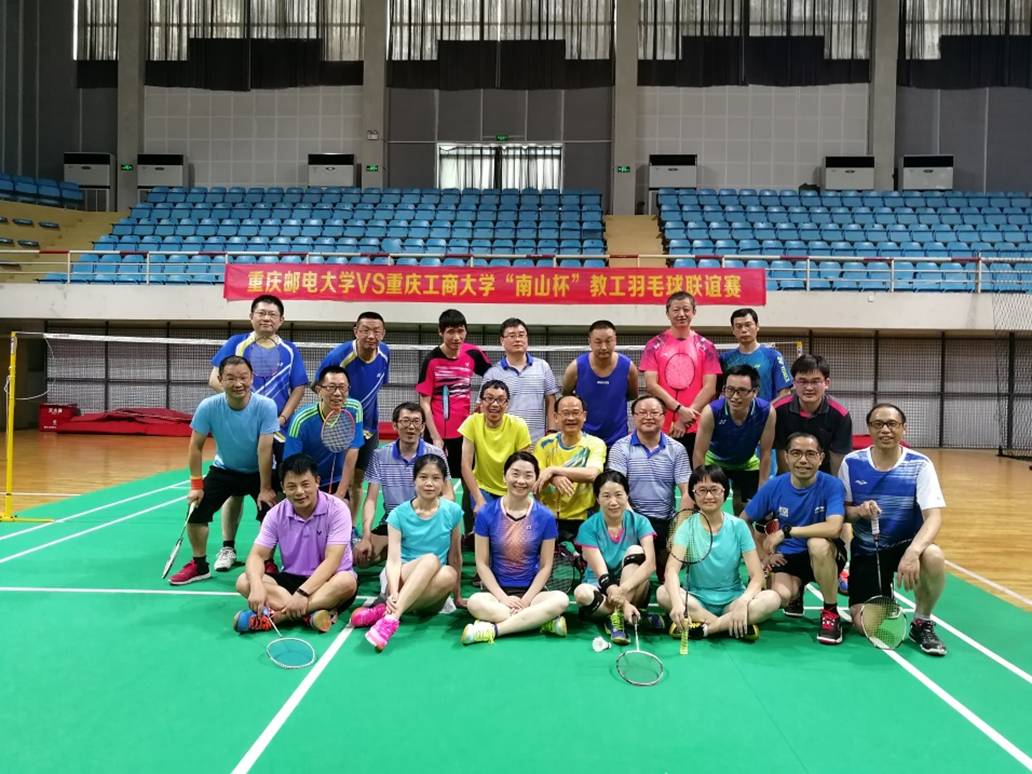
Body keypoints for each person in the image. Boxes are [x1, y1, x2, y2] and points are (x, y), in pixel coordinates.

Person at [208, 294, 308, 572]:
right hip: (239, 428)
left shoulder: (290, 350)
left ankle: (270, 554)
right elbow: (214, 378)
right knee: (234, 489)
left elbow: (299, 387)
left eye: (272, 314)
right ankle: (228, 547)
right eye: (261, 313)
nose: (266, 318)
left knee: (275, 490)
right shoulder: (236, 344)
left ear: (281, 320)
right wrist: (243, 401)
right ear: (251, 316)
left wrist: (283, 417)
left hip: (277, 432)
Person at [840, 403, 948, 656]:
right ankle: (885, 597)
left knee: (933, 555)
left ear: (903, 428)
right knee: (864, 626)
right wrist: (859, 511)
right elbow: (842, 513)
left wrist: (913, 552)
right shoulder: (852, 462)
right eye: (878, 424)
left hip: (905, 545)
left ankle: (922, 621)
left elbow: (933, 517)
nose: (885, 430)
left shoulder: (920, 464)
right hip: (868, 551)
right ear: (869, 429)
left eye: (892, 424)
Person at [171, 355, 279, 585]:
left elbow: (265, 449)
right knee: (196, 510)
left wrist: (265, 488)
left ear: (252, 378)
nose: (238, 383)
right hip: (225, 469)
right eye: (230, 378)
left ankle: (267, 561)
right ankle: (199, 565)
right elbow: (195, 446)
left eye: (243, 377)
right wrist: (196, 486)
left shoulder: (266, 406)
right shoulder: (209, 407)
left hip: (259, 471)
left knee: (271, 512)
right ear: (220, 379)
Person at [232, 453, 358, 634]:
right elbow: (257, 555)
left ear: (317, 481)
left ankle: (276, 617)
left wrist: (302, 593)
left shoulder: (337, 509)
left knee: (347, 581)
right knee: (244, 581)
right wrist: (257, 585)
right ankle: (310, 613)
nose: (299, 492)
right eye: (291, 486)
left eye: (305, 484)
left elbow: (332, 561)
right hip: (291, 578)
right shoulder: (275, 514)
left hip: (328, 579)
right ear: (283, 487)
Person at [743, 432, 848, 645]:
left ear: (821, 458)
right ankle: (796, 592)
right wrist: (762, 557)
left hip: (824, 553)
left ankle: (830, 611)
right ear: (786, 457)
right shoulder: (774, 486)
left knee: (817, 544)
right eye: (796, 453)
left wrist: (787, 531)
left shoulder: (832, 485)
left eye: (810, 454)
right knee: (780, 596)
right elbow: (742, 521)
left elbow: (834, 527)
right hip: (788, 556)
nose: (803, 460)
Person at [657, 465, 781, 641]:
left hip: (733, 601)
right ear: (693, 494)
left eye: (714, 489)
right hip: (696, 600)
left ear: (725, 492)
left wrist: (744, 600)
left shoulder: (738, 526)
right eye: (702, 490)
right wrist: (677, 604)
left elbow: (757, 576)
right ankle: (733, 624)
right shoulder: (687, 527)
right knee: (663, 593)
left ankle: (705, 629)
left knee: (772, 598)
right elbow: (671, 570)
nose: (709, 496)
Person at [356, 455, 465, 653]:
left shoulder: (453, 511)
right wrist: (394, 593)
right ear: (414, 480)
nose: (429, 483)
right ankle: (392, 618)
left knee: (450, 573)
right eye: (423, 477)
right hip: (401, 577)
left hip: (432, 588)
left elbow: (455, 556)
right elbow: (393, 560)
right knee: (431, 560)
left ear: (443, 483)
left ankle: (385, 612)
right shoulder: (398, 514)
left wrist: (457, 596)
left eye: (436, 478)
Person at [461, 452, 570, 645]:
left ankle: (494, 630)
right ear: (504, 476)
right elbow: (481, 563)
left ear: (536, 479)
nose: (521, 481)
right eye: (515, 474)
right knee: (475, 602)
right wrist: (503, 598)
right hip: (496, 594)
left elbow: (546, 566)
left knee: (561, 600)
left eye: (528, 475)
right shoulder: (487, 513)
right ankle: (540, 621)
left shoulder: (545, 517)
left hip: (533, 594)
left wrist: (526, 600)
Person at [355, 402, 454, 569]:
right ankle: (396, 547)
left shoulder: (435, 454)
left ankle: (399, 548)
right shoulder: (380, 455)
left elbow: (449, 494)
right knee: (362, 558)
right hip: (393, 522)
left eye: (416, 422)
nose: (411, 427)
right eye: (405, 421)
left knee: (433, 562)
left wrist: (428, 515)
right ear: (395, 425)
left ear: (423, 427)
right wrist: (366, 535)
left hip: (425, 522)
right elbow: (371, 499)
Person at [606, 395, 691, 579]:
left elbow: (687, 493)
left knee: (670, 573)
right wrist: (637, 524)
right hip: (631, 520)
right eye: (642, 413)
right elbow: (616, 491)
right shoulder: (620, 448)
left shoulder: (677, 449)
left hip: (665, 521)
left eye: (654, 412)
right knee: (633, 575)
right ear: (634, 416)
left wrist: (679, 530)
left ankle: (662, 562)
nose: (648, 417)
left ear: (664, 416)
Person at [572, 471, 656, 645]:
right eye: (606, 496)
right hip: (603, 587)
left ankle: (613, 617)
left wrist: (622, 591)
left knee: (635, 550)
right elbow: (602, 575)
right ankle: (625, 614)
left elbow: (650, 565)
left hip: (632, 587)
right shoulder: (588, 527)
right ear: (597, 498)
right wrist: (623, 602)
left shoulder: (640, 522)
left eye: (618, 495)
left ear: (627, 495)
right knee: (581, 593)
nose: (613, 502)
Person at [316, 311, 390, 506]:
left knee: (358, 480)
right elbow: (318, 387)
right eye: (365, 330)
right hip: (340, 428)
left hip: (369, 428)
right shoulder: (338, 357)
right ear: (356, 331)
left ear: (383, 333)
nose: (371, 336)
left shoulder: (385, 352)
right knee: (340, 480)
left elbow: (380, 383)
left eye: (376, 331)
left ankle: (352, 523)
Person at [640, 291, 722, 461]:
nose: (681, 314)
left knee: (696, 474)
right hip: (661, 425)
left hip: (697, 426)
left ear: (694, 312)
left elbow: (710, 388)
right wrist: (680, 410)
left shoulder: (707, 347)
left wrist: (685, 419)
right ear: (667, 313)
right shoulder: (653, 345)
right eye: (676, 310)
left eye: (686, 309)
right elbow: (651, 385)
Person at [415, 308, 492, 488]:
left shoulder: (472, 353)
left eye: (460, 331)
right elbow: (424, 403)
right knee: (437, 483)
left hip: (466, 432)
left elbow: (493, 375)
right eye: (451, 332)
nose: (457, 337)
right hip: (438, 434)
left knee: (470, 482)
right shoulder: (431, 360)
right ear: (440, 332)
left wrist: (482, 401)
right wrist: (435, 438)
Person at [692, 364, 776, 514]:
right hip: (715, 462)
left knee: (747, 510)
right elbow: (698, 452)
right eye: (730, 390)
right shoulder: (711, 412)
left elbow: (766, 453)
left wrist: (762, 487)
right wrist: (701, 483)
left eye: (742, 391)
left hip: (747, 463)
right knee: (709, 509)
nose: (735, 397)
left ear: (755, 392)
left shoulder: (766, 412)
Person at [533, 393, 606, 541]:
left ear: (584, 416)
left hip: (583, 519)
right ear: (555, 417)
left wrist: (552, 470)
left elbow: (592, 474)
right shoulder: (544, 444)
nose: (571, 418)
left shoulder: (595, 444)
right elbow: (536, 475)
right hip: (546, 516)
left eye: (576, 413)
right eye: (565, 413)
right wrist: (554, 479)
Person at [284, 366, 364, 501]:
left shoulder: (354, 409)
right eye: (331, 387)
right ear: (318, 390)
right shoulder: (301, 420)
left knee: (344, 507)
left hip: (335, 479)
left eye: (342, 387)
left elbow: (353, 451)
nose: (337, 393)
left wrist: (340, 493)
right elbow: (291, 463)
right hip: (305, 480)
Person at [459, 380, 532, 525]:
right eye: (489, 398)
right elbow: (465, 466)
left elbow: (523, 467)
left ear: (507, 404)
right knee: (485, 522)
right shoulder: (472, 422)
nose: (494, 404)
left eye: (500, 400)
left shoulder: (519, 425)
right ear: (481, 402)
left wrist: (514, 498)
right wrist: (479, 500)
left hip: (511, 488)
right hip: (483, 487)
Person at [562, 320, 639, 450]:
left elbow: (632, 395)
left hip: (618, 440)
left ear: (615, 340)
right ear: (590, 342)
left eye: (608, 341)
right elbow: (567, 396)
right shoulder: (575, 368)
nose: (603, 347)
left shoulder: (628, 367)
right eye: (598, 342)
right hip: (584, 440)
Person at [772, 354, 852, 477]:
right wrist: (790, 484)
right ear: (794, 383)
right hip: (789, 476)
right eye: (802, 381)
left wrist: (833, 484)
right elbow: (781, 451)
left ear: (826, 383)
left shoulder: (840, 415)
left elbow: (837, 458)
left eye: (815, 381)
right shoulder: (778, 410)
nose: (809, 387)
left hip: (824, 476)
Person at [483, 317, 559, 443]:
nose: (518, 339)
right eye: (512, 336)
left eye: (521, 335)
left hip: (536, 440)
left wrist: (552, 431)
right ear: (502, 340)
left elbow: (551, 400)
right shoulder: (493, 373)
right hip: (504, 441)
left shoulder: (543, 366)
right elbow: (484, 406)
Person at [719, 308, 792, 402]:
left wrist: (766, 409)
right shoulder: (725, 358)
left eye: (748, 325)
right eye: (739, 326)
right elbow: (719, 392)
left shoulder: (774, 356)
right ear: (733, 330)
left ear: (757, 326)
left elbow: (785, 393)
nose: (744, 330)